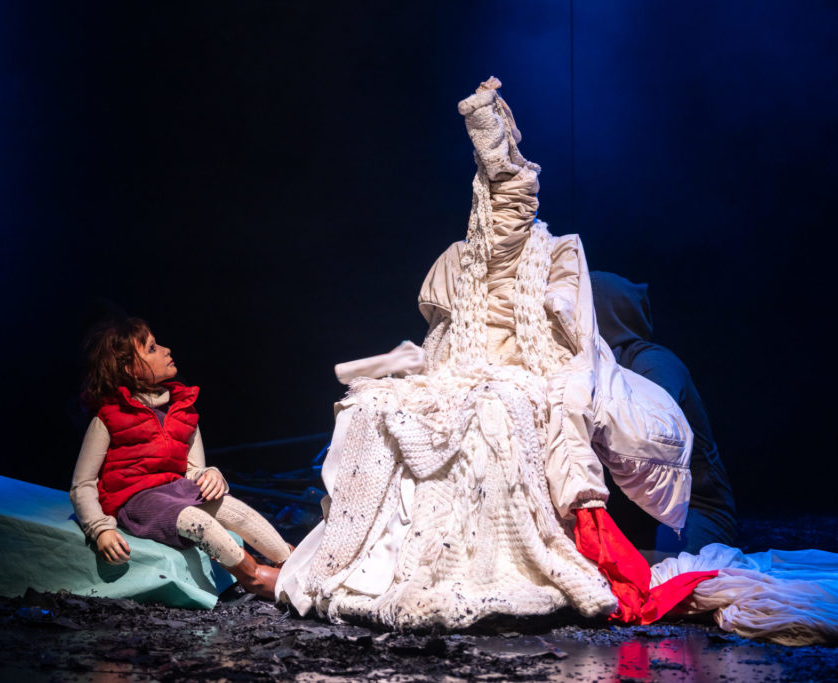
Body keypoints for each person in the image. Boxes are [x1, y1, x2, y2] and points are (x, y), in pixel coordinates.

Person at [277, 78, 698, 629]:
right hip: (463, 367)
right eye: (496, 202)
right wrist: (417, 371)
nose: (505, 212)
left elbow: (574, 345)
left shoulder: (559, 252)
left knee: (496, 408)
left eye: (515, 202)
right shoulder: (459, 259)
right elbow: (443, 337)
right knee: (371, 406)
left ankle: (492, 558)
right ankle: (364, 560)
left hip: (532, 368)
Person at [69, 317, 291, 599]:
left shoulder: (183, 410)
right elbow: (82, 483)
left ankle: (290, 561)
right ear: (130, 369)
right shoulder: (109, 417)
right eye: (152, 348)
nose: (166, 350)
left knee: (234, 509)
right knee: (200, 522)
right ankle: (253, 576)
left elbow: (193, 470)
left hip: (174, 492)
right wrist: (101, 530)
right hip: (137, 502)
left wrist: (211, 474)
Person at [591, 271, 737, 558]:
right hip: (631, 514)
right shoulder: (590, 369)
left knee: (644, 577)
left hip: (691, 514)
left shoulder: (652, 361)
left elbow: (648, 431)